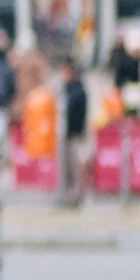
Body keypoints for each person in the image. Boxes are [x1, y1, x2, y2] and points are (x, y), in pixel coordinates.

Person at [58, 59, 91, 206]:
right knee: (66, 168)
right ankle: (67, 195)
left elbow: (74, 112)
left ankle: (76, 196)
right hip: (66, 134)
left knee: (75, 167)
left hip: (74, 133)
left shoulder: (78, 90)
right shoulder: (65, 88)